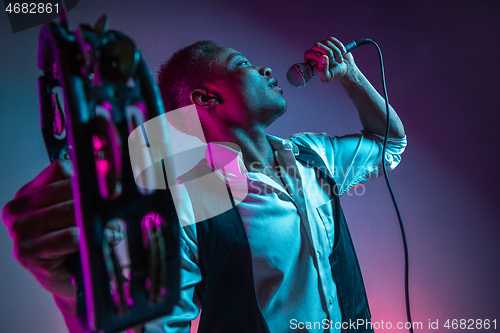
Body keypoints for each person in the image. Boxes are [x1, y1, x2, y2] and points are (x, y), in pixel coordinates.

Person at [2, 37, 406, 333]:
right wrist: (72, 294)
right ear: (206, 97)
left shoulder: (313, 156)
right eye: (243, 63)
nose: (266, 69)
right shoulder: (190, 204)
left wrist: (350, 75)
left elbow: (389, 141)